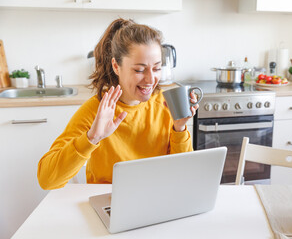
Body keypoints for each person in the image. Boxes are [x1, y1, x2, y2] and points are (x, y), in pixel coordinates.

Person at [37, 18, 198, 190]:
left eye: (157, 68)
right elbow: (47, 180)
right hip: (109, 202)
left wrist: (179, 129)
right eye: (139, 70)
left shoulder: (165, 105)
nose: (151, 79)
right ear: (116, 66)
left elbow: (183, 175)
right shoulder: (95, 111)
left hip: (157, 199)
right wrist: (92, 138)